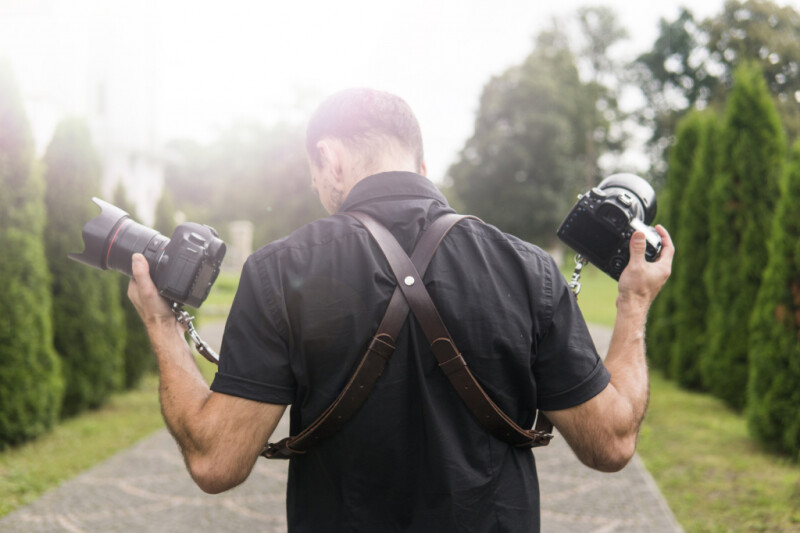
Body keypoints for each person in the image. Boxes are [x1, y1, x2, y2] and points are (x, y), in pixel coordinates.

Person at [128, 87, 674, 532]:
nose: (318, 186)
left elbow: (215, 460)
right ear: (421, 164)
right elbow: (612, 442)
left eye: (314, 173)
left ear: (329, 157)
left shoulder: (278, 271)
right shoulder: (527, 268)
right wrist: (633, 301)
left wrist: (160, 323)